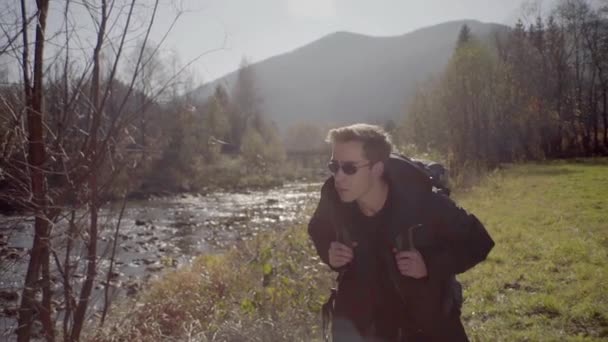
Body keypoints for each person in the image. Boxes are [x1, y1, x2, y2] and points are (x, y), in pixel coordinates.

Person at [308, 123, 495, 341]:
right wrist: (330, 251)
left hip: (424, 323)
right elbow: (318, 228)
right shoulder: (333, 196)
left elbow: (478, 241)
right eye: (334, 166)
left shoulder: (423, 201)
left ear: (377, 168)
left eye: (349, 168)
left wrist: (429, 264)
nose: (338, 177)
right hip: (361, 324)